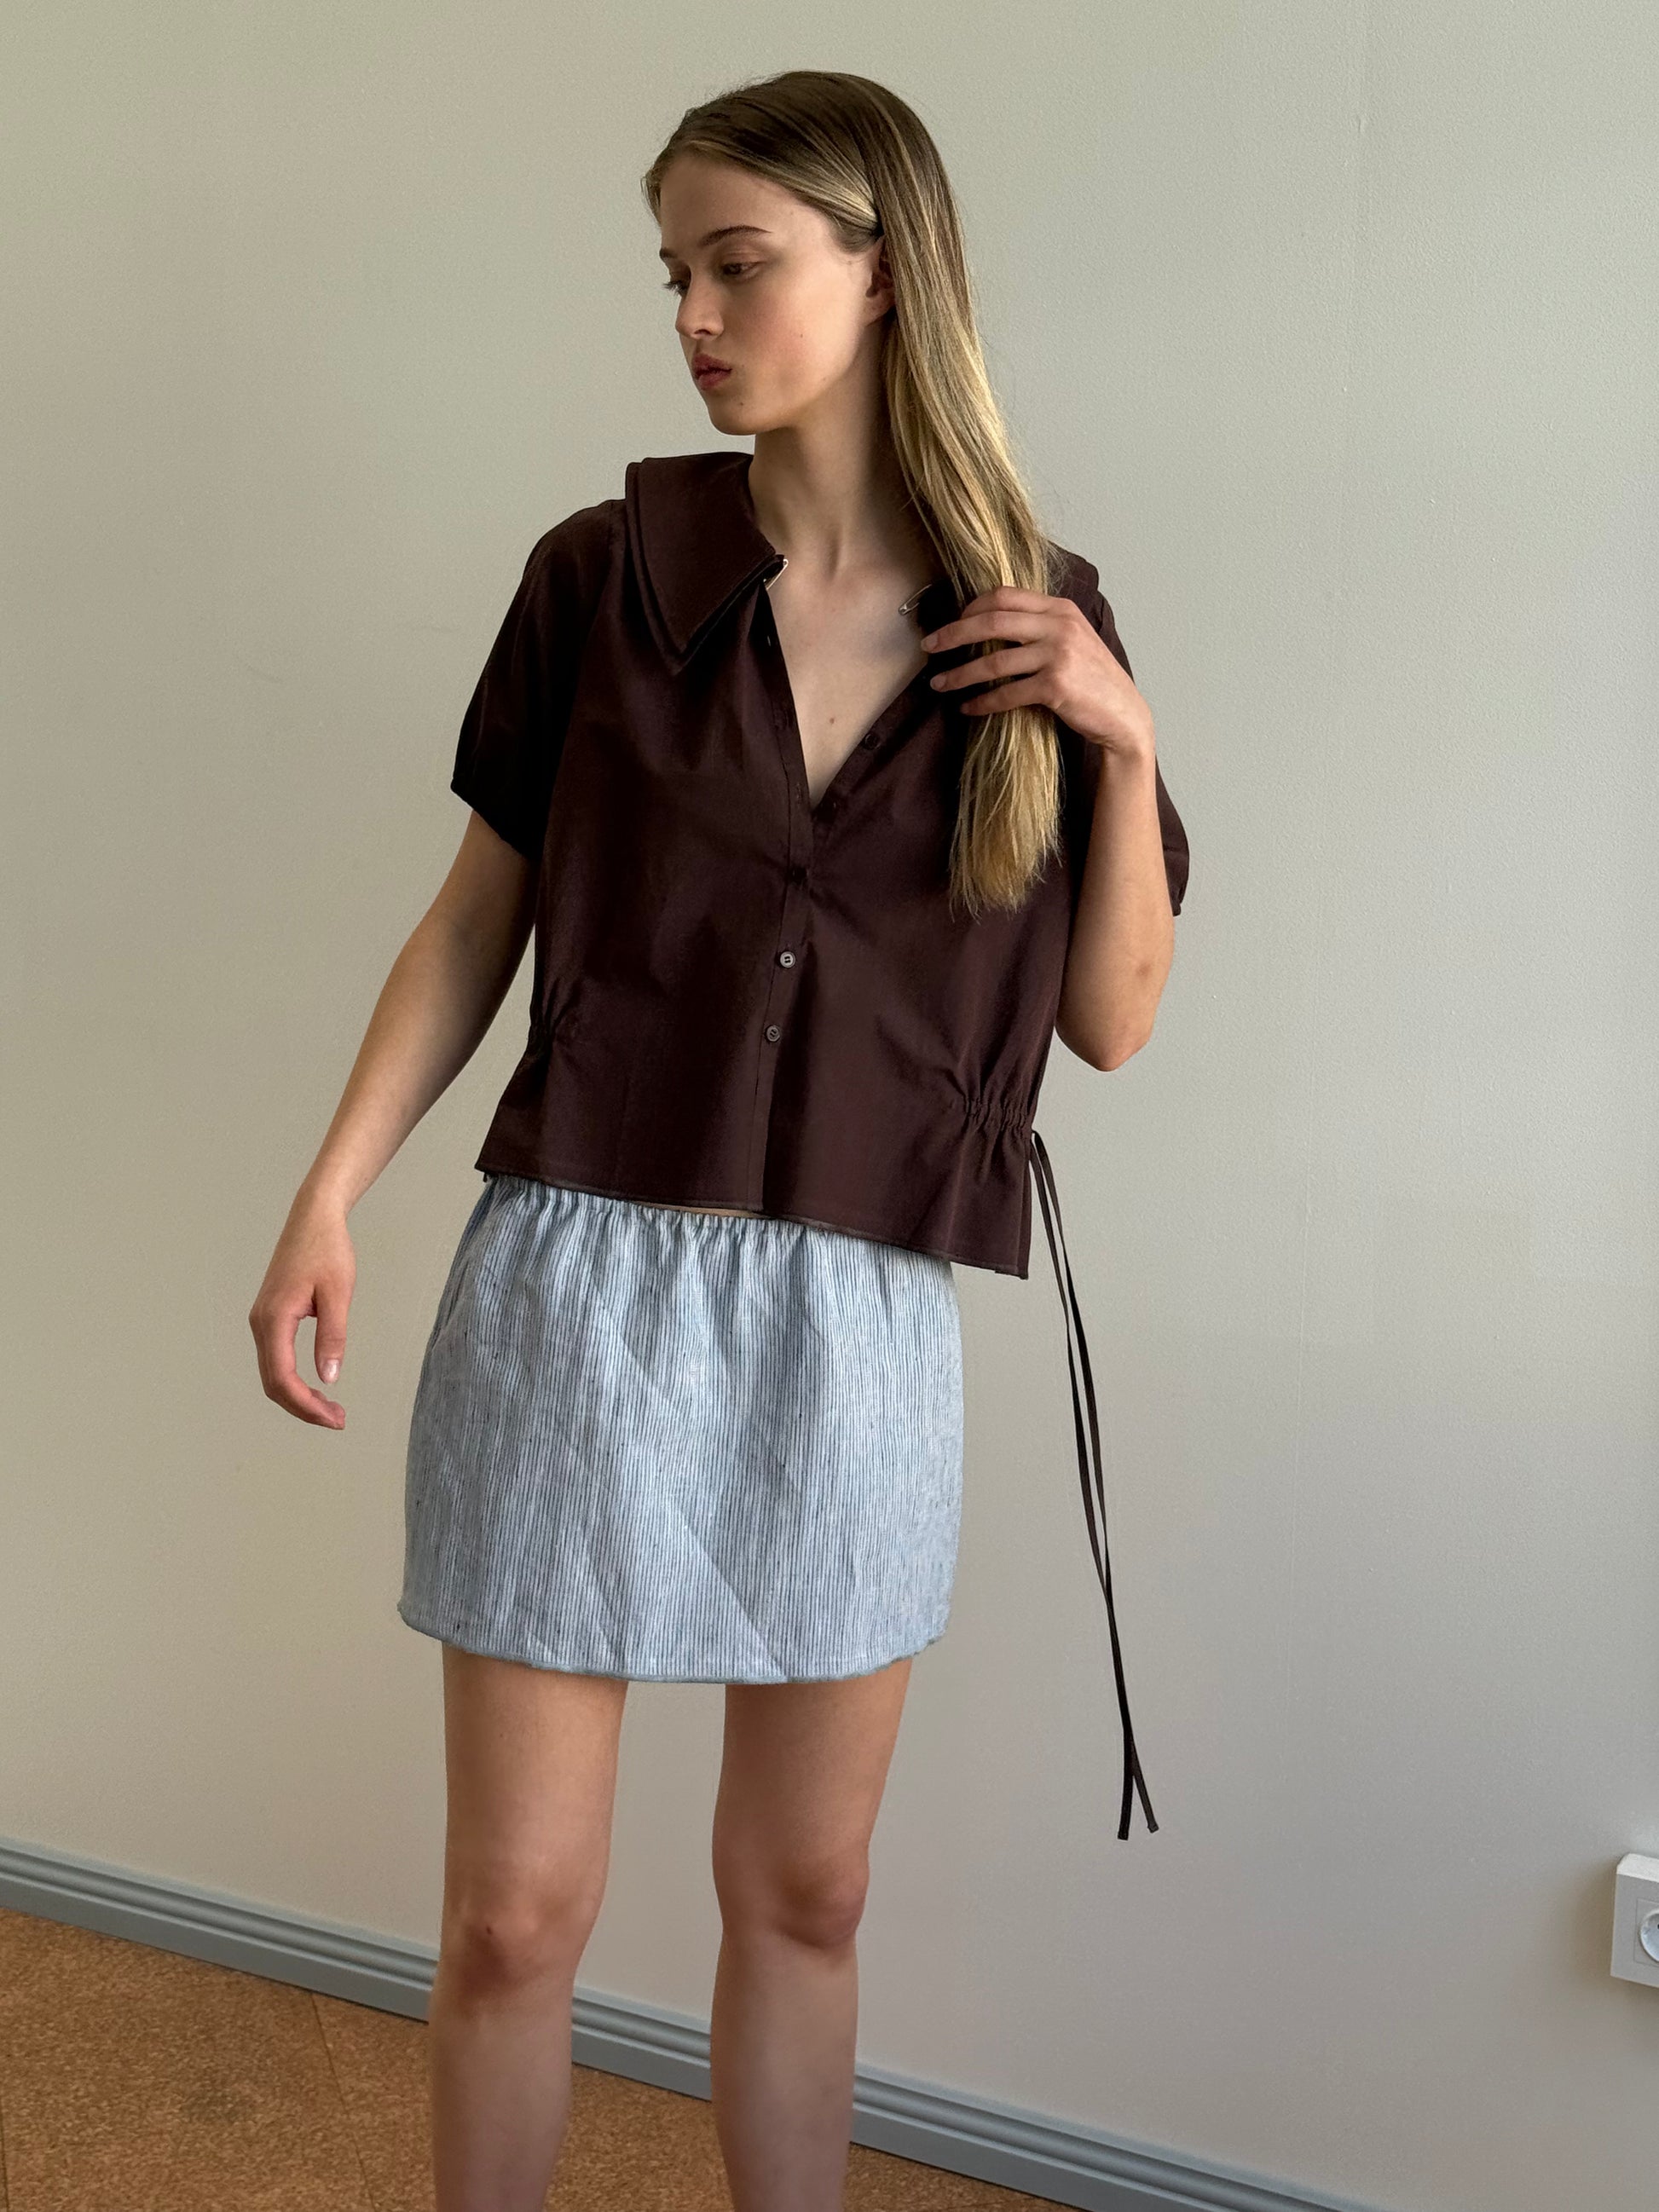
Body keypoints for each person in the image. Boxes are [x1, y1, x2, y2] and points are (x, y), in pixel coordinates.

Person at [249, 67, 1187, 2212]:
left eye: (735, 261)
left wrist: (1125, 744)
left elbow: (1114, 1023)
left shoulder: (1037, 628)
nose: (690, 308)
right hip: (577, 1276)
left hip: (853, 1316)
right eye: (672, 269)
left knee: (810, 1893)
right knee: (513, 1914)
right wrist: (326, 1192)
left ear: (883, 268)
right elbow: (478, 914)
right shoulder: (606, 573)